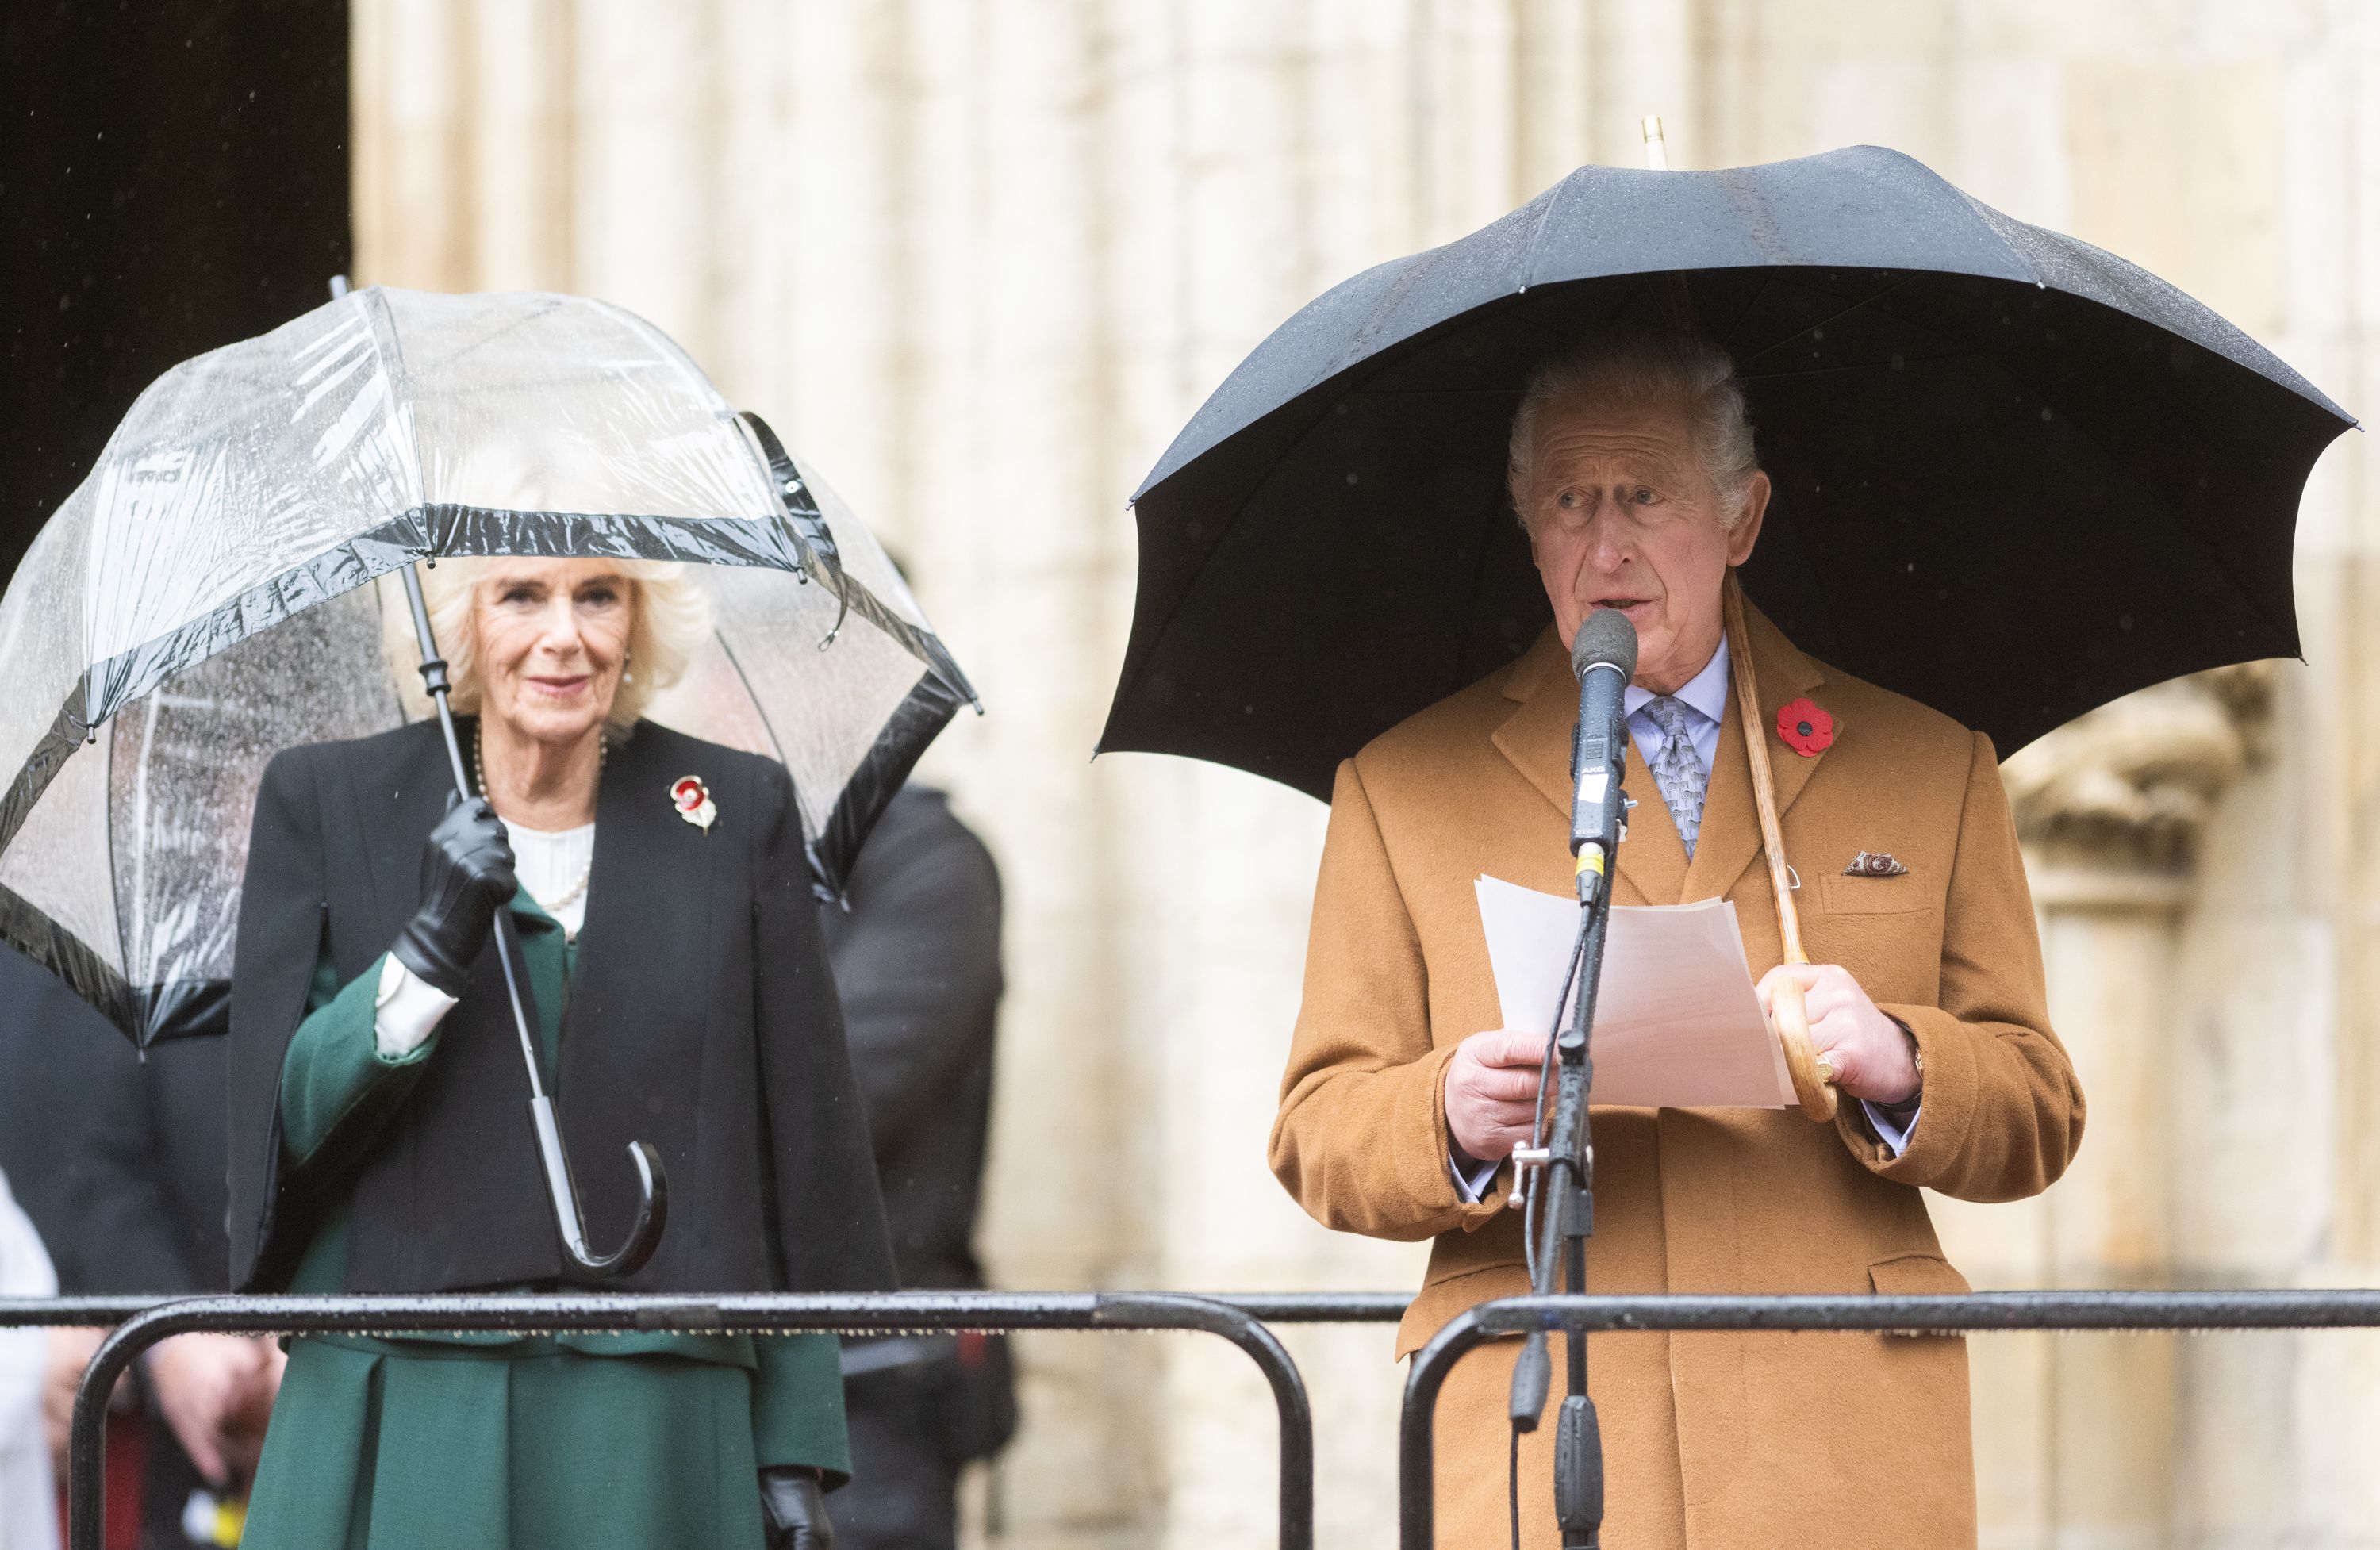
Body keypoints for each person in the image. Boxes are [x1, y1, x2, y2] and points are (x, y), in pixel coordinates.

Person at [1268, 325, 2086, 1548]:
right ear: (1529, 529)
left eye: (1645, 495)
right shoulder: (1401, 786)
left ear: (1744, 517)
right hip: (1542, 1425)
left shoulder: (1930, 763)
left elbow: (2039, 1108)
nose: (1606, 546)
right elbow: (1317, 1128)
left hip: (1841, 1441)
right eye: (1567, 501)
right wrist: (1451, 1113)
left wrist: (1905, 1064)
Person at [226, 554, 894, 1550]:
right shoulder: (331, 799)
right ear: (461, 623)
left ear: (636, 624)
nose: (564, 634)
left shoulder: (734, 808)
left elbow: (789, 1143)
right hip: (408, 1399)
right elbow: (290, 1123)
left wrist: (794, 1450)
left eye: (598, 595)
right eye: (522, 595)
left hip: (660, 1412)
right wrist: (427, 946)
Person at [0, 948, 280, 1548]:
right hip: (111, 1389)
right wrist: (173, 1334)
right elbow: (103, 1170)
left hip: (273, 1388)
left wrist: (312, 1342)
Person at [818, 785, 1013, 1550]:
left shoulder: (924, 857)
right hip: (718, 1370)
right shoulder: (704, 844)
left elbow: (838, 1098)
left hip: (874, 1379)